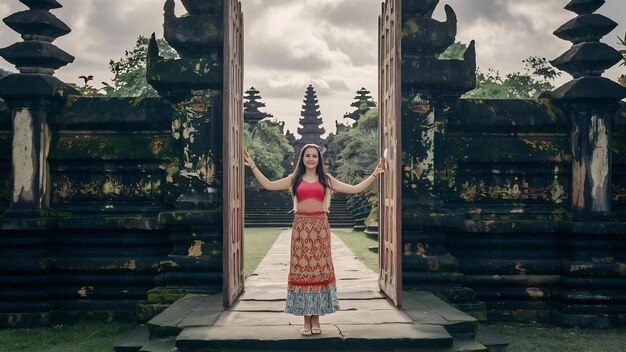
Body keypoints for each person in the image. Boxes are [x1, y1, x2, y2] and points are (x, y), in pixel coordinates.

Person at [243, 143, 384, 336]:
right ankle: (306, 319)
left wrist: (375, 174)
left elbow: (354, 189)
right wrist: (252, 166)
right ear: (302, 158)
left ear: (319, 159)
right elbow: (269, 185)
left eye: (314, 156)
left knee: (318, 271)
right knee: (303, 271)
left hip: (320, 229)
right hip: (301, 229)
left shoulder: (326, 179)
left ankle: (316, 319)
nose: (311, 159)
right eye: (307, 155)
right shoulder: (296, 178)